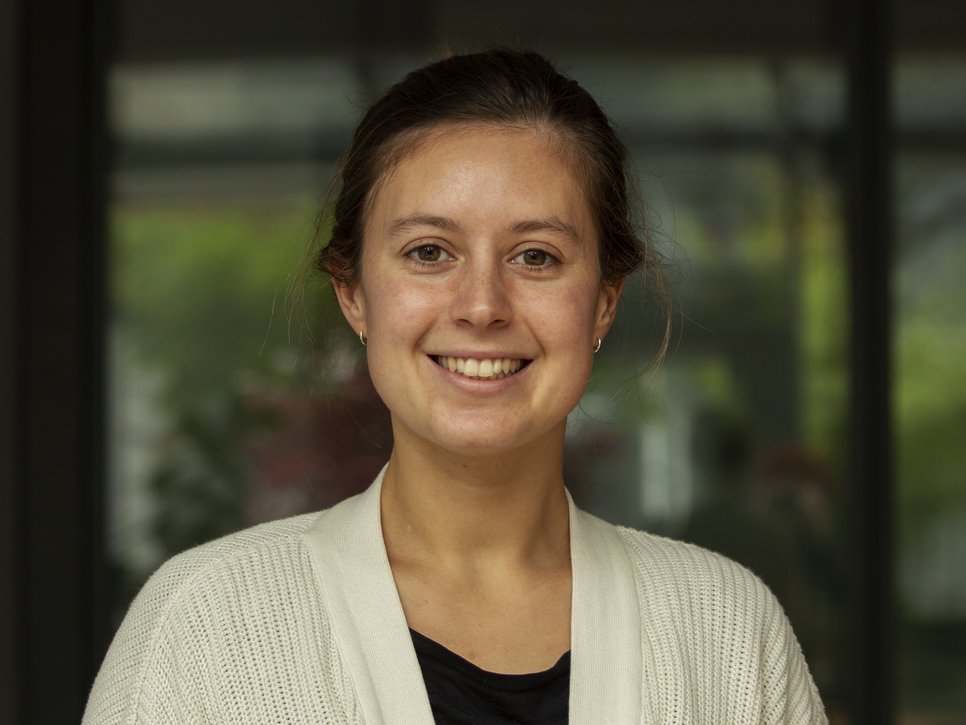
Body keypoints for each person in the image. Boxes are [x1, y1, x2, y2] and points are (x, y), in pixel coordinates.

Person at [83, 49, 827, 724]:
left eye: (535, 256)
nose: (481, 306)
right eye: (429, 251)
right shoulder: (206, 628)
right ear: (353, 293)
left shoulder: (727, 632)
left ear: (604, 300)